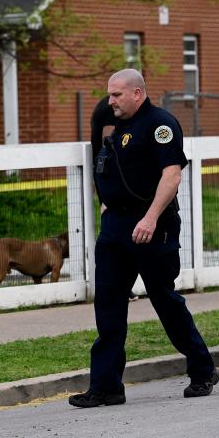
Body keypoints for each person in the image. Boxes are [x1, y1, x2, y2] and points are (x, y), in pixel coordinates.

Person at [69, 69, 219, 408]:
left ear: (137, 93)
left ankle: (203, 369)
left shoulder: (160, 124)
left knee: (164, 300)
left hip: (152, 226)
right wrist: (107, 203)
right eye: (109, 95)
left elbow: (172, 175)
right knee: (108, 305)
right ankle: (106, 386)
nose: (110, 102)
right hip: (116, 229)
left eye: (117, 95)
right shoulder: (118, 128)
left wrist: (150, 218)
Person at [90, 97, 139, 302]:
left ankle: (122, 287)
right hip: (113, 186)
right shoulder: (112, 110)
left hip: (111, 185)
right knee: (119, 240)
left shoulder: (107, 106)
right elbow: (109, 144)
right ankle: (120, 288)